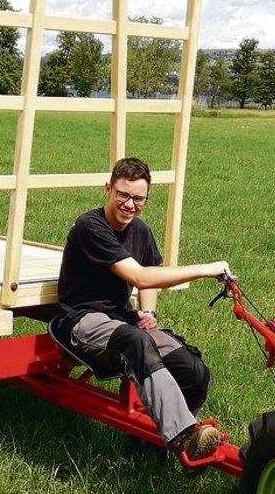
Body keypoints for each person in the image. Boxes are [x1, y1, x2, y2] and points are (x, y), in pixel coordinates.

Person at [53, 157, 231, 470]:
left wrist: (148, 310)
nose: (129, 205)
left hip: (123, 318)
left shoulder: (141, 230)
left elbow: (150, 272)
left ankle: (153, 440)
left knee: (192, 368)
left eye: (138, 198)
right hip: (81, 320)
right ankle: (183, 436)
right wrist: (204, 269)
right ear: (108, 189)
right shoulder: (91, 226)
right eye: (122, 195)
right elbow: (141, 278)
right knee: (136, 342)